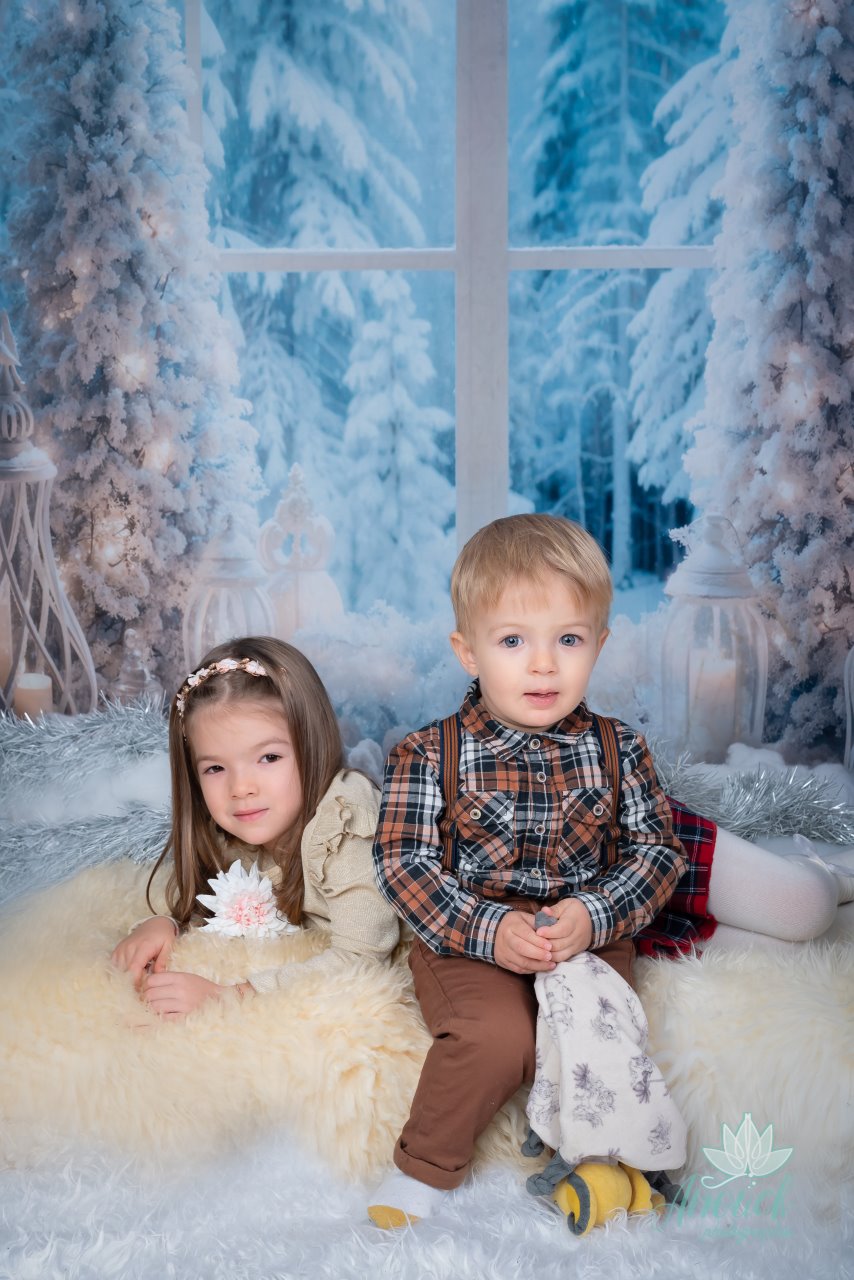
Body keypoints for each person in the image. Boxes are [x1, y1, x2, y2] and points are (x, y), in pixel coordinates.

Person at [369, 513, 854, 1230]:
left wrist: (593, 915)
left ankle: (610, 1162)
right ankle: (422, 1170)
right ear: (467, 651)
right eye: (513, 641)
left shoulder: (619, 748)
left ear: (598, 644)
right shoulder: (428, 753)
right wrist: (488, 928)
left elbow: (656, 851)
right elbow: (402, 862)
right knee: (497, 1038)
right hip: (471, 937)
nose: (543, 665)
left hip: (586, 927)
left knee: (601, 1030)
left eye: (567, 640)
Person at [111, 636, 400, 1015]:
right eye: (215, 767)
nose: (241, 788)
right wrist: (162, 923)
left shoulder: (343, 825)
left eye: (269, 757)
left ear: (311, 745)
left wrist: (233, 996)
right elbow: (201, 895)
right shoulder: (237, 831)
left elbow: (361, 959)